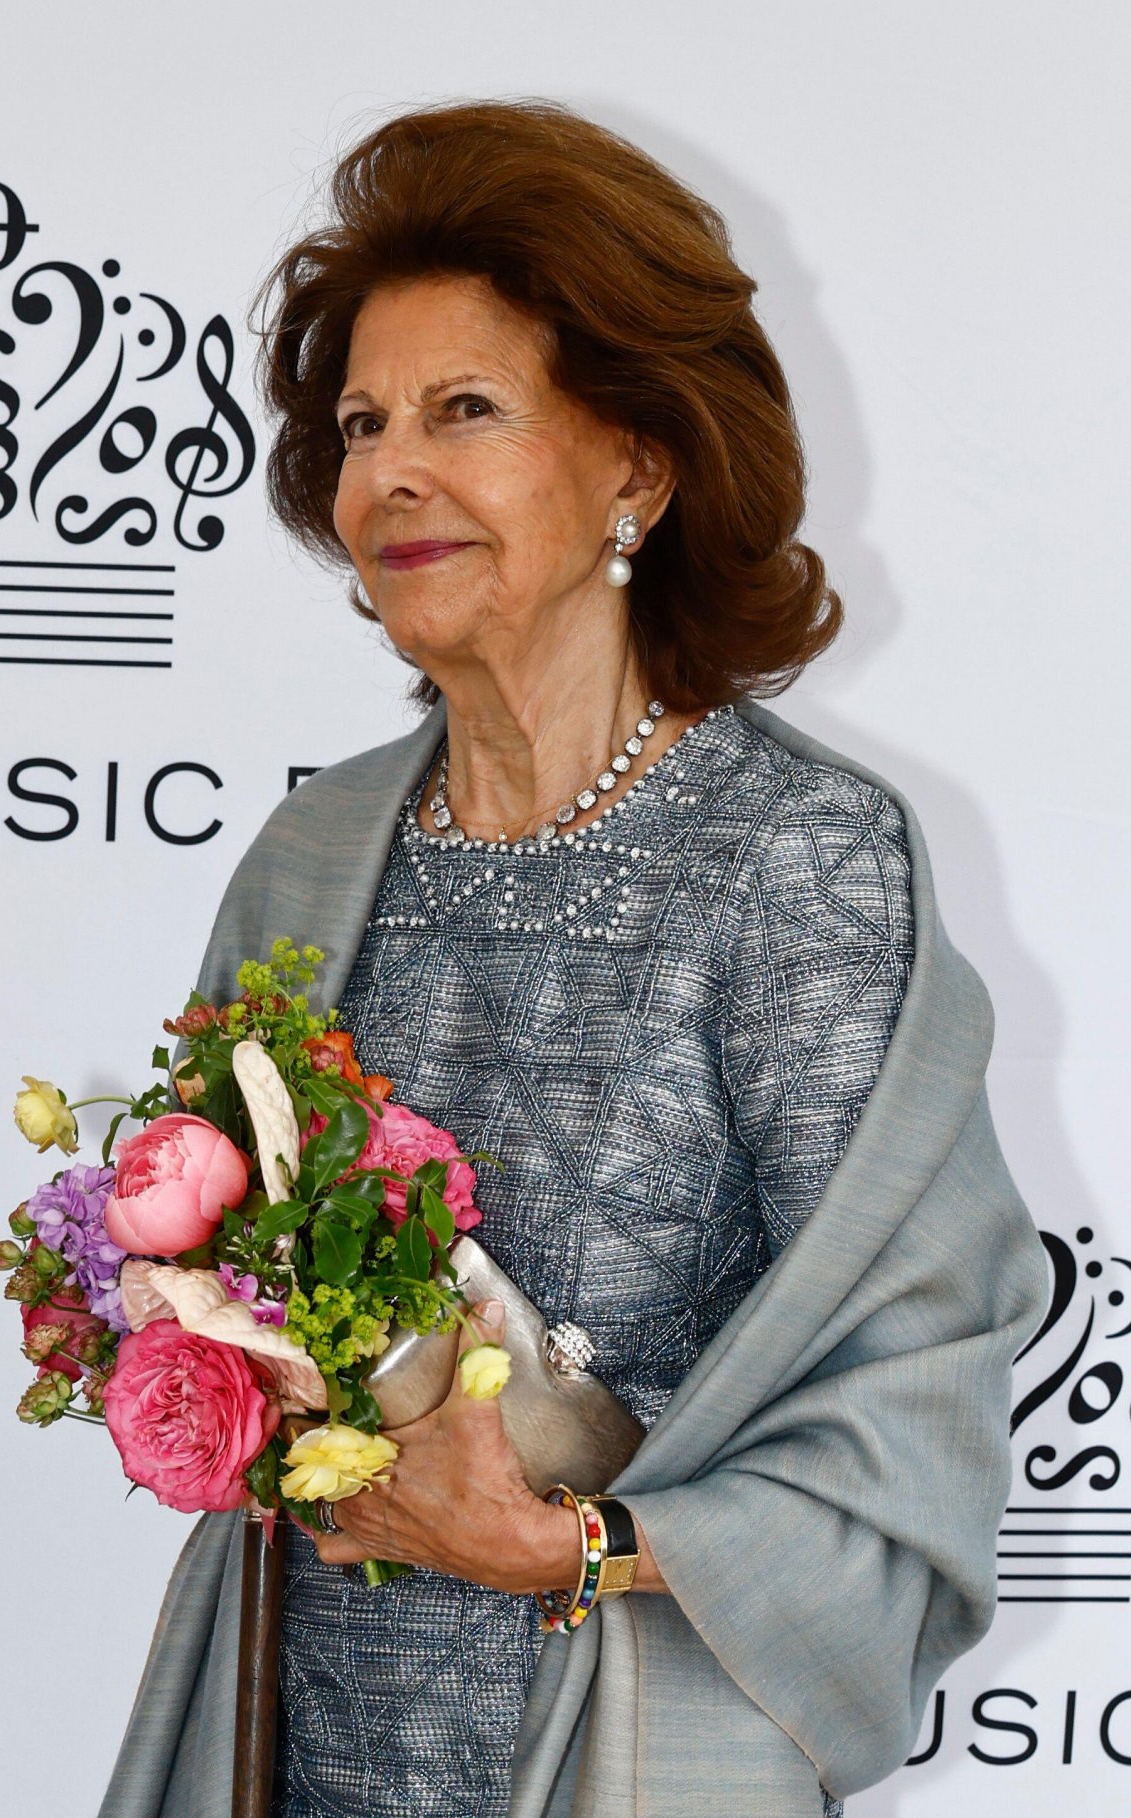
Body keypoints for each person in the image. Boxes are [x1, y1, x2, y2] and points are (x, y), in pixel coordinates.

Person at [99, 99, 1048, 1818]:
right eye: (364, 421)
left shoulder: (799, 861)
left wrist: (575, 1541)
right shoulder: (314, 859)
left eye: (465, 411)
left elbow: (910, 1398)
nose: (390, 472)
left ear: (640, 462)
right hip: (297, 1733)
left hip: (624, 1739)